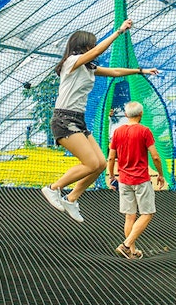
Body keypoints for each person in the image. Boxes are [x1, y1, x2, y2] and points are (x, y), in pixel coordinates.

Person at [41, 18, 158, 222]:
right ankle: (53, 188)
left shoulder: (89, 68)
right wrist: (119, 31)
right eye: (91, 45)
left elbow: (115, 72)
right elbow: (96, 52)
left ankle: (72, 198)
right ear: (83, 46)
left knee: (101, 164)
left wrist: (140, 71)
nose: (94, 48)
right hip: (64, 118)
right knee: (90, 163)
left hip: (78, 120)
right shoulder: (71, 62)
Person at [106, 101, 165, 258]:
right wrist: (160, 174)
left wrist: (111, 176)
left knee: (129, 216)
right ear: (141, 114)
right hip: (141, 180)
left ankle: (132, 252)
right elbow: (155, 156)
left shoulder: (117, 132)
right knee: (147, 214)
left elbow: (111, 157)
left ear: (126, 115)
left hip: (124, 180)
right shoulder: (144, 131)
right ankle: (126, 246)